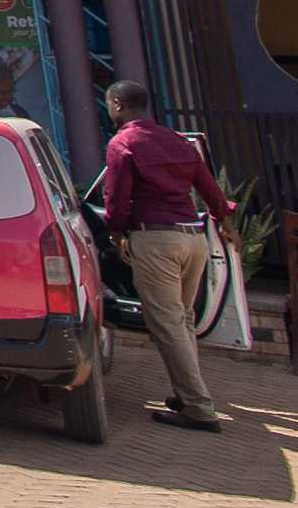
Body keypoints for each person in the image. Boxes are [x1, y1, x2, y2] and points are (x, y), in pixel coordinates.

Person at [100, 77, 234, 431]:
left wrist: (117, 233)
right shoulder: (177, 141)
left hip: (156, 239)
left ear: (117, 105)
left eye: (109, 105)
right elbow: (209, 187)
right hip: (193, 238)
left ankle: (199, 408)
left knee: (167, 323)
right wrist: (224, 219)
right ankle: (185, 394)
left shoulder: (123, 143)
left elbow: (117, 198)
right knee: (182, 319)